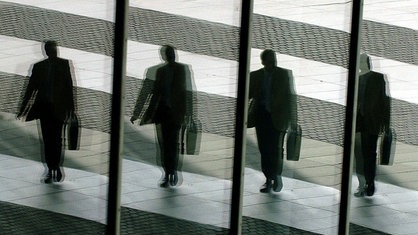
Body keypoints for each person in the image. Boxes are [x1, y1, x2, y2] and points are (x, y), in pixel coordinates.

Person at [131, 45, 194, 188]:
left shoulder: (177, 70)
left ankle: (170, 172)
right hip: (166, 114)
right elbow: (150, 93)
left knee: (170, 145)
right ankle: (169, 172)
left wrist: (189, 113)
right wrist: (137, 112)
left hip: (174, 114)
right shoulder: (166, 71)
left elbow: (187, 92)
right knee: (167, 145)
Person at [17, 40, 75, 183]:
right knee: (50, 140)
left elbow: (69, 88)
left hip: (58, 109)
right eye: (52, 50)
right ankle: (52, 168)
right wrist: (23, 108)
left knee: (56, 140)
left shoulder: (63, 64)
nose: (54, 52)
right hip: (45, 109)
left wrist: (71, 109)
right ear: (48, 52)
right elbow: (30, 89)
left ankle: (54, 168)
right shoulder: (40, 67)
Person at [248, 49, 297, 193]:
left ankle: (275, 176)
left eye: (274, 61)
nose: (272, 64)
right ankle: (269, 178)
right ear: (263, 62)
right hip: (262, 116)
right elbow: (248, 94)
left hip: (278, 117)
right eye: (269, 61)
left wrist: (293, 120)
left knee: (275, 149)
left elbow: (290, 97)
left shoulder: (283, 74)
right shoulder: (256, 76)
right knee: (264, 148)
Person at [354, 53, 390, 197]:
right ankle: (365, 183)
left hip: (371, 122)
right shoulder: (358, 78)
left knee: (369, 154)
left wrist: (385, 124)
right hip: (359, 122)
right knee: (361, 154)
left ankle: (369, 182)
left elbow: (384, 103)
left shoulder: (377, 78)